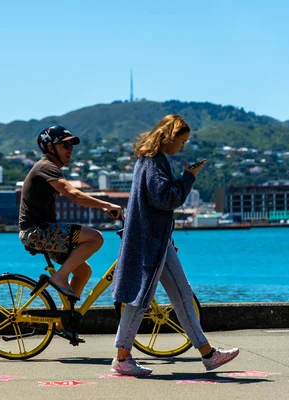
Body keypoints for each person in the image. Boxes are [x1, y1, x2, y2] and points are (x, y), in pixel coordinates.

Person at [110, 114, 239, 376]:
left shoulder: (148, 160)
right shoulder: (154, 162)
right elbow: (164, 199)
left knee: (182, 294)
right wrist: (188, 177)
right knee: (141, 297)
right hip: (151, 243)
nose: (182, 147)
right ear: (169, 136)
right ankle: (122, 358)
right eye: (181, 141)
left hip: (157, 241)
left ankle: (208, 354)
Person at [19, 125, 124, 330]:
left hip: (44, 232)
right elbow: (74, 195)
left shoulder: (49, 167)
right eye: (64, 145)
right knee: (95, 238)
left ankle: (65, 320)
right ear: (49, 147)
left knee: (83, 272)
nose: (70, 150)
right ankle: (59, 277)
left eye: (71, 146)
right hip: (37, 232)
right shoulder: (46, 166)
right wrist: (106, 204)